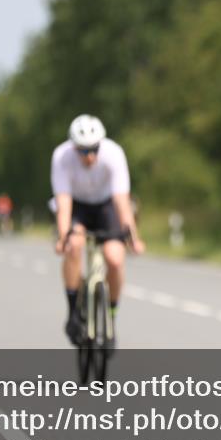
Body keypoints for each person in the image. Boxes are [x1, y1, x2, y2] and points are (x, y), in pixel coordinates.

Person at [51, 114, 145, 347]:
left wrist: (133, 238)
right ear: (74, 148)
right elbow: (63, 204)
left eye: (93, 149)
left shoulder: (114, 154)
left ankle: (111, 317)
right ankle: (73, 311)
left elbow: (122, 202)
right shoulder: (62, 157)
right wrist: (63, 237)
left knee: (114, 258)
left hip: (106, 206)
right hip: (78, 206)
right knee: (74, 245)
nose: (89, 156)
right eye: (82, 151)